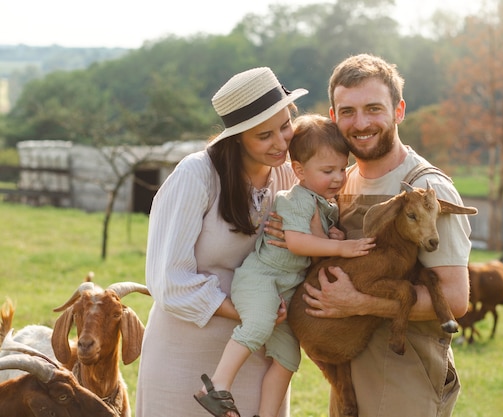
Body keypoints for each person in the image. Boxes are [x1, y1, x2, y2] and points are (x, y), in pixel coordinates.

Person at [302, 53, 474, 416]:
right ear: (333, 117)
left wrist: (359, 303)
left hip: (406, 377)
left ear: (398, 111)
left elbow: (456, 299)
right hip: (349, 370)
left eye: (373, 109)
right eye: (347, 111)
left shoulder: (427, 189)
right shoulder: (341, 181)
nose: (360, 123)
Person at [135, 66, 309, 417]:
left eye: (285, 126)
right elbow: (168, 281)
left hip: (257, 353)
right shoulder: (196, 175)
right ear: (238, 137)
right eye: (264, 135)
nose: (281, 143)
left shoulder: (290, 175)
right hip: (184, 357)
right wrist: (249, 310)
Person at [194, 113, 375, 417]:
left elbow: (316, 242)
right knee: (258, 325)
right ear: (300, 171)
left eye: (343, 169)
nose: (338, 178)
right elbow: (297, 243)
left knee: (288, 359)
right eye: (328, 170)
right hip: (261, 279)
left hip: (284, 290)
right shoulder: (296, 198)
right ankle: (215, 385)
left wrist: (333, 234)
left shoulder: (325, 205)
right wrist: (341, 247)